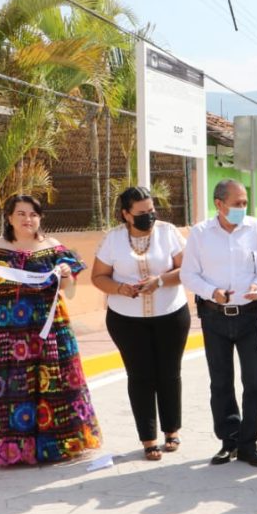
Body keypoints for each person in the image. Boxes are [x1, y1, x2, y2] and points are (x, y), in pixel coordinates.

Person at [0, 195, 100, 466]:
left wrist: (64, 274)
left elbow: (67, 289)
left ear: (40, 218)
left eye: (33, 214)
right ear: (9, 217)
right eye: (21, 213)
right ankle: (14, 448)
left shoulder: (53, 248)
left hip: (49, 324)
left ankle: (60, 444)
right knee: (14, 381)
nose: (28, 219)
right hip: (9, 326)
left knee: (55, 377)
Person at [180, 179, 257, 467]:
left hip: (249, 317)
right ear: (219, 204)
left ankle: (249, 444)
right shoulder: (199, 234)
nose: (242, 208)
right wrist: (213, 293)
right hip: (214, 317)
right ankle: (228, 441)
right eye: (237, 203)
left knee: (254, 383)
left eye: (245, 203)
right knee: (221, 383)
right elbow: (189, 275)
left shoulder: (255, 228)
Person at [92, 187, 190, 461]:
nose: (150, 216)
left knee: (170, 373)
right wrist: (120, 288)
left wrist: (159, 281)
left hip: (171, 313)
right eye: (142, 213)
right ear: (126, 214)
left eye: (151, 210)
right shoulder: (112, 239)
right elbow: (98, 277)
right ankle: (148, 438)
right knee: (140, 376)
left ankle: (172, 430)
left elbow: (187, 269)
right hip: (126, 320)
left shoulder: (168, 232)